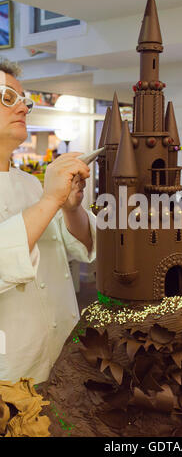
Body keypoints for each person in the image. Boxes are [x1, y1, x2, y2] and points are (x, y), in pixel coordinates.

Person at [0, 60, 96, 384]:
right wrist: (50, 200)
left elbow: (82, 248)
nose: (23, 108)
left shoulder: (30, 184)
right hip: (12, 380)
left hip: (65, 361)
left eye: (24, 100)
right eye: (7, 97)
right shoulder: (42, 194)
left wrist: (70, 208)